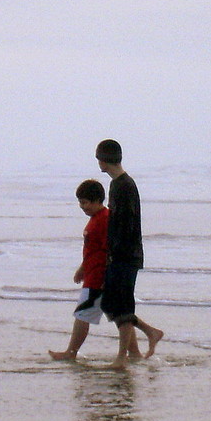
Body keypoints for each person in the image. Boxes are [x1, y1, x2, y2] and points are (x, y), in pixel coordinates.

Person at [48, 179, 141, 361]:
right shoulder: (95, 219)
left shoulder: (105, 219)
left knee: (83, 315)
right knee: (119, 316)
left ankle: (71, 352)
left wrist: (108, 276)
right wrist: (82, 268)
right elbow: (93, 249)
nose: (82, 207)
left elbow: (109, 250)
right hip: (92, 274)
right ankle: (136, 352)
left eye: (85, 202)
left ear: (98, 200)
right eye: (80, 202)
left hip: (99, 277)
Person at [95, 139, 164, 369]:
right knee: (110, 303)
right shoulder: (118, 184)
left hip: (125, 255)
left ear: (103, 160)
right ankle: (147, 334)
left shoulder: (124, 185)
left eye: (99, 159)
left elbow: (125, 225)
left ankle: (122, 356)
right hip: (121, 254)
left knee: (122, 307)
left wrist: (114, 253)